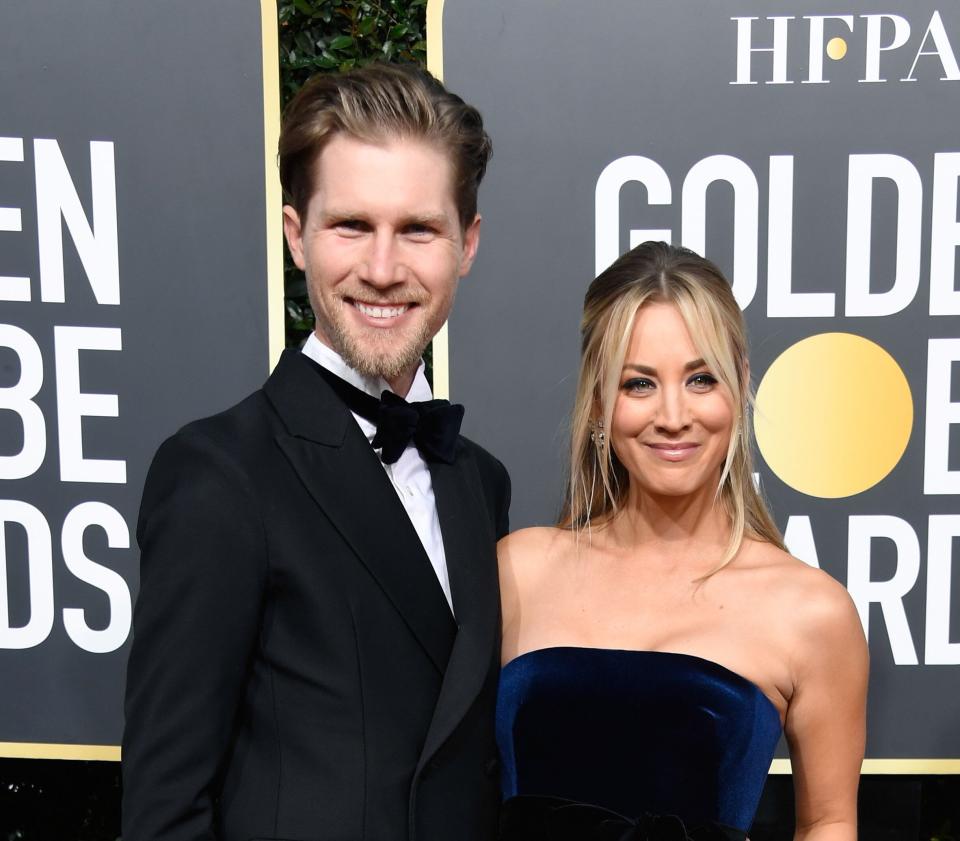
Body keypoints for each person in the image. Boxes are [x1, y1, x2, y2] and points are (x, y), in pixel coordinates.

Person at [122, 64, 510, 841]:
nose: (382, 268)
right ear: (297, 236)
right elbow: (165, 811)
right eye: (352, 226)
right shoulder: (220, 474)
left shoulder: (480, 481)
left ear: (466, 244)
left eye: (419, 229)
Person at [496, 242, 867, 840]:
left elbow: (828, 823)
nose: (673, 415)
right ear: (597, 402)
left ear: (740, 385)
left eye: (701, 378)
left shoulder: (812, 612)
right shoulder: (519, 571)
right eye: (638, 384)